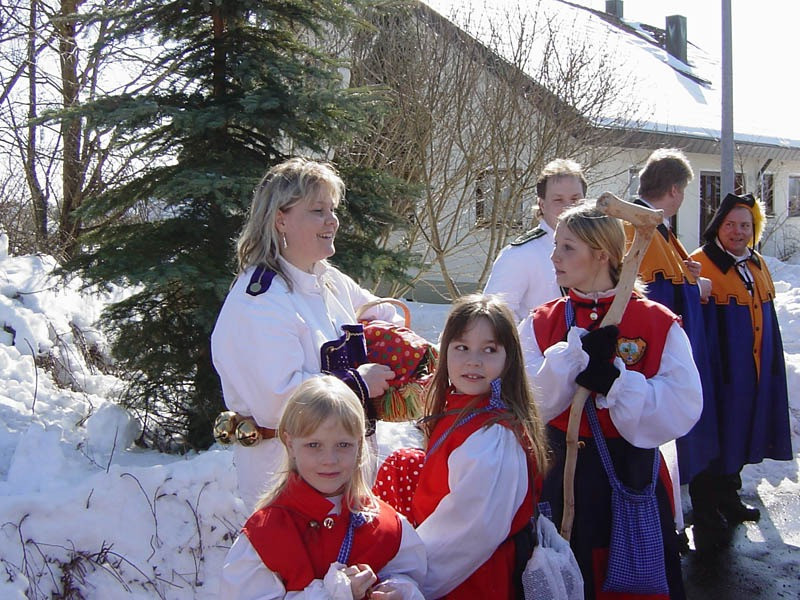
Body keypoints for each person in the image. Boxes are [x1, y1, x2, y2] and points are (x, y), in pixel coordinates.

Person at [519, 201, 702, 599]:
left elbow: (683, 404)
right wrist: (568, 363)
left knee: (633, 579)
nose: (554, 257)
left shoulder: (655, 321)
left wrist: (618, 384)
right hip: (560, 474)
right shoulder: (542, 322)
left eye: (567, 247)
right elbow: (526, 399)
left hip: (629, 473)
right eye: (556, 245)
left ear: (602, 254)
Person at [211, 157, 402, 508]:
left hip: (345, 481)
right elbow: (277, 402)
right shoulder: (260, 301)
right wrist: (358, 383)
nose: (332, 221)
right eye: (318, 211)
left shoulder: (328, 279)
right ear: (280, 219)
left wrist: (393, 345)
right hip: (290, 487)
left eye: (332, 210)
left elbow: (385, 315)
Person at [381, 294, 549, 599]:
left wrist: (408, 577)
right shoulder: (462, 409)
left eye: (489, 350)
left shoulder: (493, 438)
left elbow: (467, 532)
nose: (474, 361)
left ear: (509, 359)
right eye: (462, 347)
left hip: (467, 576)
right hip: (442, 561)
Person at [222, 376, 427, 599]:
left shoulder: (386, 525)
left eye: (343, 445)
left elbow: (410, 574)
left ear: (359, 444)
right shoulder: (266, 534)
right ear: (290, 444)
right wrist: (335, 594)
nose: (329, 459)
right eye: (314, 445)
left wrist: (400, 590)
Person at [688, 193, 792, 536]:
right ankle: (705, 509)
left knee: (738, 431)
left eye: (745, 225)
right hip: (718, 370)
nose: (737, 232)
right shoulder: (700, 264)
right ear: (718, 226)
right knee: (714, 434)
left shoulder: (756, 263)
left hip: (751, 368)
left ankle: (728, 497)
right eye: (730, 224)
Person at [632, 148, 719, 536]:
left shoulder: (657, 229)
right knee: (662, 445)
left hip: (663, 362)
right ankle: (663, 528)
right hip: (657, 366)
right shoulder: (643, 228)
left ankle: (669, 521)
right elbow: (656, 300)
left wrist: (690, 278)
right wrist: (691, 286)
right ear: (674, 190)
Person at [484, 159, 587, 321]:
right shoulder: (520, 255)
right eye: (558, 200)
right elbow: (495, 319)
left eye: (575, 199)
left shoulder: (598, 250)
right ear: (542, 205)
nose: (569, 208)